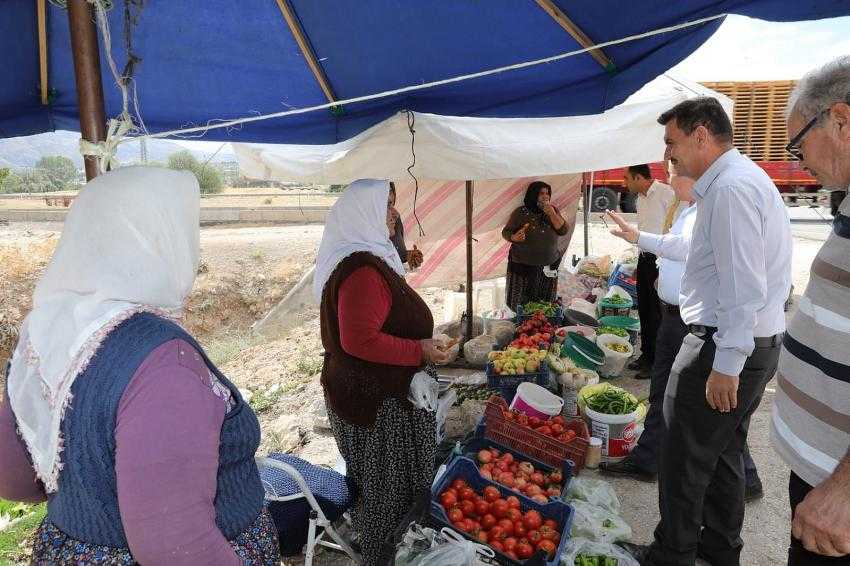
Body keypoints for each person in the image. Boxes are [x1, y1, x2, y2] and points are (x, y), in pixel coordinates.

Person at [0, 167, 280, 565]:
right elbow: (175, 547)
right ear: (163, 240)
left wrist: (88, 497)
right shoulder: (163, 363)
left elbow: (13, 477)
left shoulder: (45, 333)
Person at [619, 97, 792, 566]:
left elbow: (742, 285)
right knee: (723, 452)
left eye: (672, 142)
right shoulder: (736, 182)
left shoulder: (732, 189)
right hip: (747, 339)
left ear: (701, 134)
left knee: (683, 454)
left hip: (723, 340)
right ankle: (718, 551)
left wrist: (727, 363)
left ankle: (672, 554)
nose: (667, 154)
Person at [601, 176, 764, 502]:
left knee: (678, 394)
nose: (672, 178)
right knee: (693, 399)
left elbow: (687, 248)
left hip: (689, 321)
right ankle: (739, 474)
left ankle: (655, 460)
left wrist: (640, 238)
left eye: (679, 169)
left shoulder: (709, 211)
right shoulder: (691, 210)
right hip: (679, 316)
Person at [314, 179, 449, 565]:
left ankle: (400, 550)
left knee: (390, 487)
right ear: (363, 213)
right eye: (387, 205)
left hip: (382, 393)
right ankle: (383, 556)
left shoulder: (373, 260)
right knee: (385, 490)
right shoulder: (362, 271)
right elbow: (359, 340)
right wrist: (418, 349)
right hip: (375, 404)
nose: (394, 213)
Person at [772, 56, 850, 565]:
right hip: (823, 468)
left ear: (841, 121)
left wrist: (844, 489)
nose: (797, 162)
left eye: (797, 143)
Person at [623, 164, 675, 378]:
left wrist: (665, 268)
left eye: (627, 179)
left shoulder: (666, 193)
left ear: (638, 177)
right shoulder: (640, 199)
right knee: (644, 309)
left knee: (657, 312)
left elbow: (672, 231)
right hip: (645, 259)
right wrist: (638, 263)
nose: (625, 183)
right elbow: (642, 234)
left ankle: (656, 362)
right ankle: (646, 355)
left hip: (661, 260)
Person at [501, 181, 571, 311]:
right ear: (533, 195)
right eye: (541, 193)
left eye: (547, 193)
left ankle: (542, 324)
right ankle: (521, 324)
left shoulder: (553, 211)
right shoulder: (520, 212)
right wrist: (513, 237)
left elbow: (563, 230)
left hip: (548, 265)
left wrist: (552, 214)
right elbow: (506, 232)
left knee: (544, 305)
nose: (545, 196)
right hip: (523, 266)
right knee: (522, 304)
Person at [388, 182, 424, 268]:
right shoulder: (361, 256)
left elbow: (397, 253)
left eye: (392, 204)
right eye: (386, 206)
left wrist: (407, 256)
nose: (396, 214)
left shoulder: (395, 222)